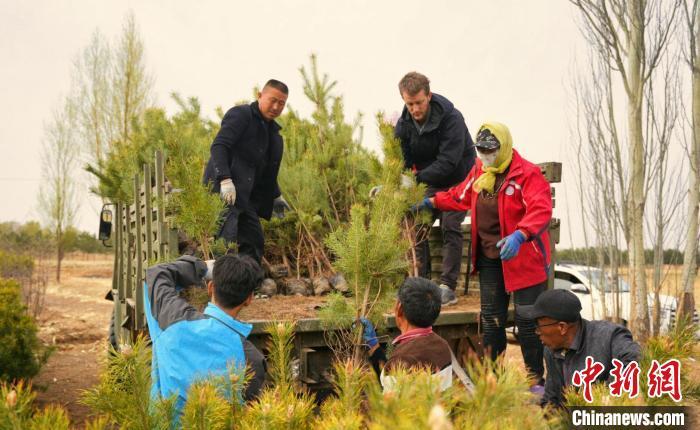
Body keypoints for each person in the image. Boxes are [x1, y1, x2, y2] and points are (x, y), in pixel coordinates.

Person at [414, 122, 552, 389]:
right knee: (491, 319)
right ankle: (491, 378)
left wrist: (520, 234)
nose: (485, 155)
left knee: (526, 319)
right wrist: (432, 202)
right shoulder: (480, 171)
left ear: (503, 146)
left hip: (523, 258)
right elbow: (461, 196)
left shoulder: (528, 174)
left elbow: (540, 209)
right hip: (491, 255)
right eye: (481, 150)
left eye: (490, 150)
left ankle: (535, 378)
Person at [144, 254, 266, 413]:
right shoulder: (252, 359)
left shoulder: (173, 319)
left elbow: (156, 273)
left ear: (210, 288)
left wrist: (202, 268)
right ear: (249, 299)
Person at [395, 72, 476, 306]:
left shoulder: (452, 118)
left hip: (459, 179)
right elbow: (400, 158)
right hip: (430, 180)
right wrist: (397, 179)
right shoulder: (404, 124)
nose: (415, 109)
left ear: (428, 96)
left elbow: (449, 161)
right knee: (417, 225)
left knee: (451, 224)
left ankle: (447, 287)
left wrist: (416, 178)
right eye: (409, 104)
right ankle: (418, 283)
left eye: (419, 102)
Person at [203, 79, 292, 263]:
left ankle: (248, 289)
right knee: (224, 244)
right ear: (260, 95)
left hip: (244, 198)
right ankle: (219, 290)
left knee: (254, 241)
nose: (276, 106)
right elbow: (219, 146)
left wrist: (275, 195)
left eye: (281, 103)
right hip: (223, 193)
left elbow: (264, 170)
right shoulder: (241, 115)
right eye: (272, 100)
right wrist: (225, 180)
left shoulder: (273, 135)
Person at [520, 289, 641, 407]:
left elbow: (635, 360)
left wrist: (604, 398)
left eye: (538, 326)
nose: (537, 332)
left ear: (562, 327)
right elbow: (552, 398)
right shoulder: (551, 349)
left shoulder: (609, 336)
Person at [361, 277, 454, 392]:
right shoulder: (443, 346)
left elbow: (390, 406)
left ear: (399, 309)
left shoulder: (401, 360)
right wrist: (374, 347)